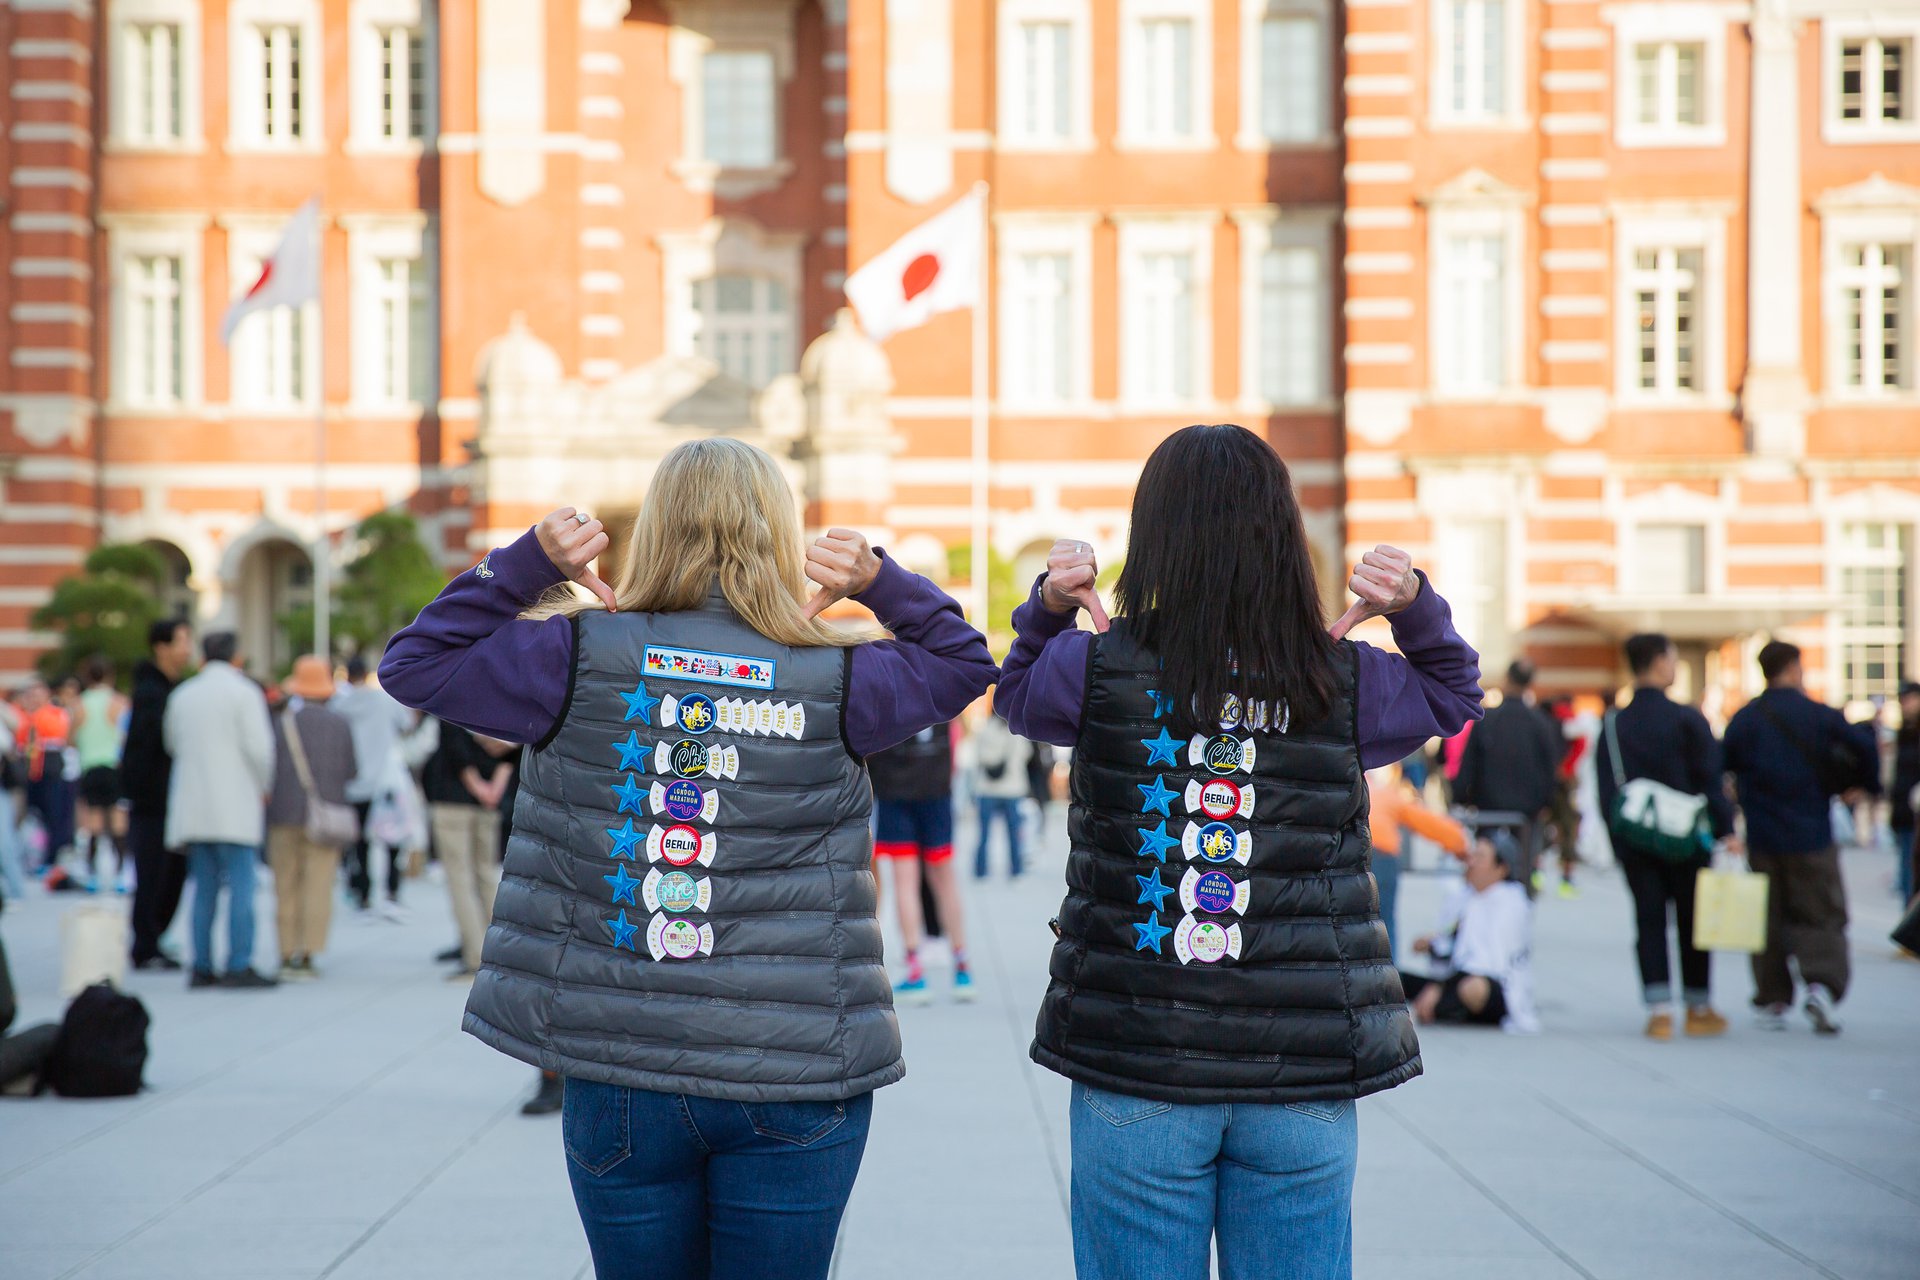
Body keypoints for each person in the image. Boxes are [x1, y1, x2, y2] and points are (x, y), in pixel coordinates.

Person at [378, 436, 994, 1280]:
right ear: (778, 535)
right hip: (798, 1064)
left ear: (655, 530)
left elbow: (414, 664)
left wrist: (523, 567)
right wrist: (881, 583)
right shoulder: (835, 674)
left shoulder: (575, 654)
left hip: (621, 1060)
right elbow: (966, 662)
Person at [997, 424, 1482, 1280]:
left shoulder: (1098, 667)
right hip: (1304, 1065)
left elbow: (1014, 698)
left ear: (1153, 536)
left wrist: (1046, 610)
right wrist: (1413, 608)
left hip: (1138, 1052)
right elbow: (1454, 691)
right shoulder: (1342, 676)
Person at [1723, 641, 1879, 1035]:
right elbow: (1865, 745)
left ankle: (1773, 997)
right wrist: (1863, 785)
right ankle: (1820, 986)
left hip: (1763, 834)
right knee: (1821, 911)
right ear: (1793, 668)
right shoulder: (1819, 714)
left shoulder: (1746, 719)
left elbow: (1721, 766)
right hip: (1811, 831)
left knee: (1768, 917)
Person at [1593, 634, 1737, 1040]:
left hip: (1637, 840)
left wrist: (1620, 843)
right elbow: (1711, 780)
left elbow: (1607, 791)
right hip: (1688, 840)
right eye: (1672, 660)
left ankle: (1659, 1011)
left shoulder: (1614, 723)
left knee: (1649, 919)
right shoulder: (1688, 718)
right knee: (1693, 920)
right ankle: (1698, 1007)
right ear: (1659, 662)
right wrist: (1726, 829)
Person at [163, 632, 277, 989]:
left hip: (194, 805)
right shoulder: (244, 693)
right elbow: (260, 750)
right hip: (235, 803)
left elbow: (171, 743)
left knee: (204, 889)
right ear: (236, 657)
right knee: (242, 887)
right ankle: (238, 963)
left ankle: (201, 964)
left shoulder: (183, 694)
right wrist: (264, 786)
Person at [265, 657, 359, 980]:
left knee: (285, 885)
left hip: (283, 813)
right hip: (326, 816)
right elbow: (352, 770)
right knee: (318, 885)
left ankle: (285, 952)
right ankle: (307, 954)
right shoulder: (340, 724)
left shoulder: (280, 723)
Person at [868, 722, 974, 1002]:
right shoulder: (942, 694)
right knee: (945, 878)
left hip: (895, 788)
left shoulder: (889, 691)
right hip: (935, 787)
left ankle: (915, 971)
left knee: (905, 881)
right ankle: (962, 967)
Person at [1399, 831, 1538, 1032]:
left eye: (1480, 858)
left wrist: (1439, 987)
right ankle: (1438, 1007)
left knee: (1473, 988)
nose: (1471, 863)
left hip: (1492, 987)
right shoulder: (1464, 896)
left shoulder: (1512, 903)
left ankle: (1437, 1007)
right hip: (1453, 978)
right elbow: (1452, 946)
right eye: (1472, 855)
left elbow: (1487, 963)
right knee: (1392, 979)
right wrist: (1432, 943)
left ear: (1501, 868)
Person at [1453, 659, 1565, 892]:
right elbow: (1550, 769)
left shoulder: (1487, 719)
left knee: (1486, 865)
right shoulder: (1541, 722)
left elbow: (1469, 764)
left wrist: (1461, 797)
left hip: (1489, 806)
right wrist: (1546, 802)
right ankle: (1519, 904)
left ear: (1507, 679)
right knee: (1522, 867)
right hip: (1527, 811)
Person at [124, 619, 194, 969]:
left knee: (171, 872)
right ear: (161, 647)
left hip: (168, 797)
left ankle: (153, 939)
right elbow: (142, 750)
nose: (187, 648)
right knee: (154, 873)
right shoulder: (152, 692)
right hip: (153, 800)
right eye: (181, 641)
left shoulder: (168, 688)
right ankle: (146, 944)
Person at [420, 720, 511, 981]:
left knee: (460, 879)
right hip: (490, 800)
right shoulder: (502, 702)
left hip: (452, 798)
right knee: (486, 875)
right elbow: (514, 747)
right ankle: (500, 954)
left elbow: (454, 745)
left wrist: (477, 787)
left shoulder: (456, 699)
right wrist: (494, 788)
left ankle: (475, 957)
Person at [333, 655, 416, 917]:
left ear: (347, 676)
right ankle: (392, 891)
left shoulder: (339, 704)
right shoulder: (385, 700)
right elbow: (407, 725)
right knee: (392, 839)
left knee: (359, 843)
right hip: (385, 781)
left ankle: (362, 893)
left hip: (353, 783)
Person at [1366, 761, 1468, 960]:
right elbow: (1427, 822)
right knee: (1384, 923)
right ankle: (1388, 970)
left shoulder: (1356, 790)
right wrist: (1459, 844)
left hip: (1352, 855)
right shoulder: (1386, 794)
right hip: (1381, 856)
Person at [70, 656, 129, 890]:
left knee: (93, 821)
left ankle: (93, 875)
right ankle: (121, 874)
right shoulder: (119, 702)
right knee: (118, 821)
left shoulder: (79, 704)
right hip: (114, 766)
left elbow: (70, 738)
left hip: (90, 766)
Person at [966, 700, 1032, 880]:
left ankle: (980, 870)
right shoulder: (1019, 730)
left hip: (987, 789)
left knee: (984, 833)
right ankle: (1016, 869)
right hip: (1012, 789)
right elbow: (1026, 754)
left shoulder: (985, 730)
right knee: (1013, 833)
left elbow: (978, 757)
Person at [14, 679, 75, 874]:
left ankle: (51, 856)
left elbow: (61, 737)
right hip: (26, 770)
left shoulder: (55, 714)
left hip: (49, 769)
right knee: (27, 815)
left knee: (53, 813)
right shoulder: (21, 715)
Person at [1890, 681, 1920, 912]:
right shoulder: (1904, 733)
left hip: (1915, 813)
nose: (1904, 705)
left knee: (1911, 876)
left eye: (1909, 699)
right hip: (1904, 812)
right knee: (1906, 877)